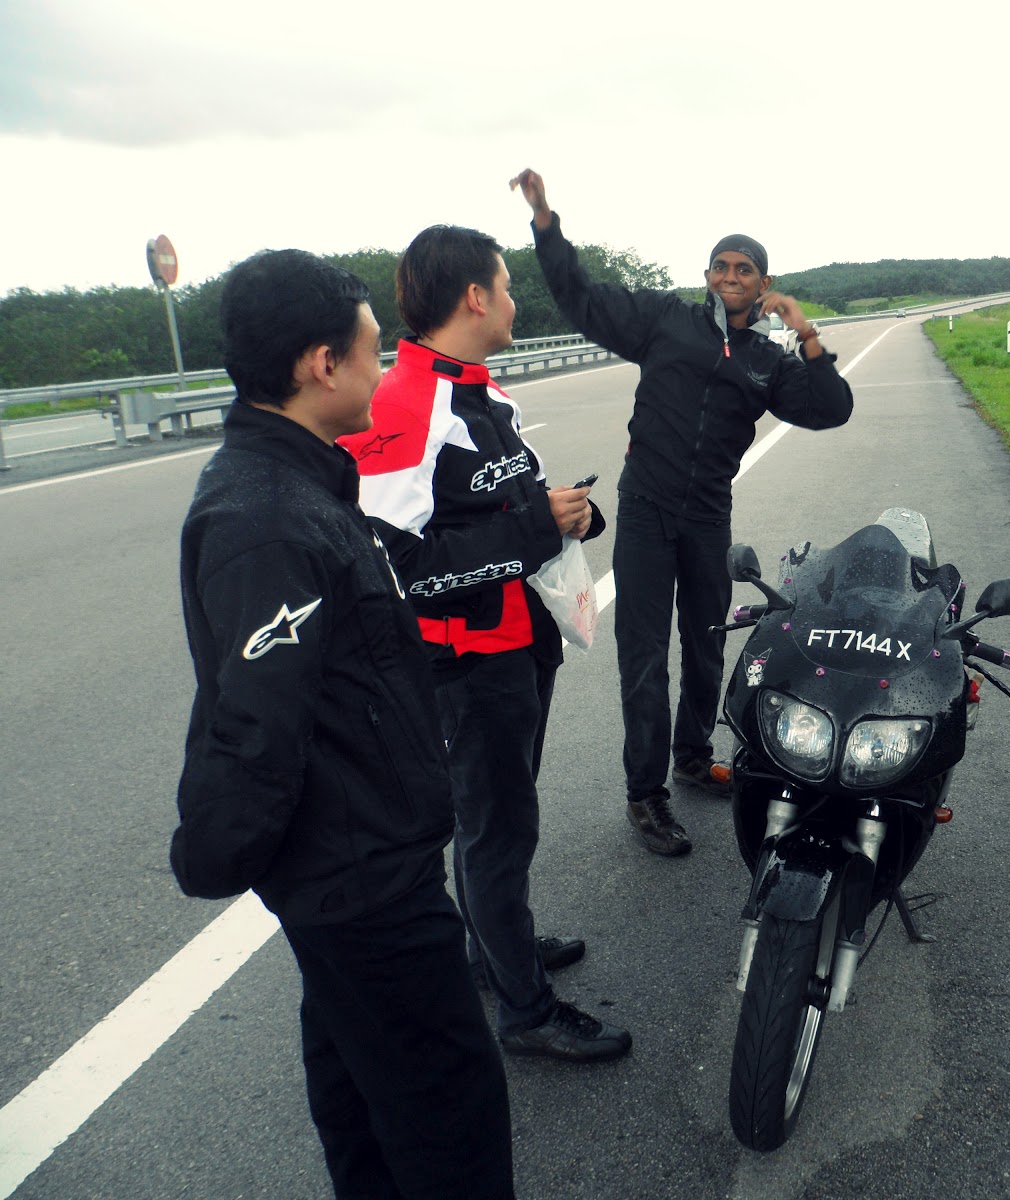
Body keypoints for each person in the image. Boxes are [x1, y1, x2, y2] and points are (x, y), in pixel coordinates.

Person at [170, 249, 516, 1197]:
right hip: (361, 884)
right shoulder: (267, 518)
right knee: (449, 1115)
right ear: (322, 365)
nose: (383, 367)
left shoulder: (302, 483)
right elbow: (254, 727)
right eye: (372, 351)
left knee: (362, 1097)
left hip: (357, 863)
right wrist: (213, 854)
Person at [339, 224, 631, 1061]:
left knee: (503, 820)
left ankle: (493, 951)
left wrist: (566, 513)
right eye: (504, 287)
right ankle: (525, 1011)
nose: (511, 302)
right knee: (496, 830)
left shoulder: (479, 391)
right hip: (469, 658)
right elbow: (397, 566)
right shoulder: (405, 402)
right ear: (474, 297)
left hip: (520, 638)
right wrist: (535, 524)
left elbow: (502, 505)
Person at [511, 167, 855, 857]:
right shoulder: (664, 321)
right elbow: (581, 297)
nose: (731, 276)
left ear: (764, 282)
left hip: (707, 517)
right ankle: (645, 793)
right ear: (706, 275)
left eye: (744, 269)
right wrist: (546, 222)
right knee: (643, 657)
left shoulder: (768, 360)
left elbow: (831, 408)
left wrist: (808, 335)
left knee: (706, 644)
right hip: (645, 510)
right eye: (721, 266)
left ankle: (693, 757)